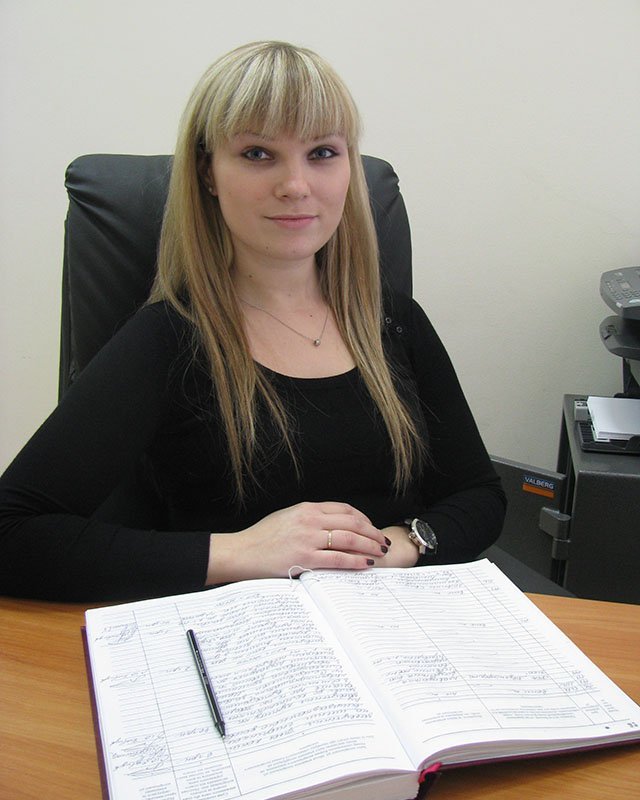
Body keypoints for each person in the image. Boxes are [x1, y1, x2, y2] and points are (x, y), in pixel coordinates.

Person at [0, 41, 505, 601]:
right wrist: (244, 552)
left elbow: (480, 496)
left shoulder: (393, 322)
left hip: (390, 625)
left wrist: (395, 547)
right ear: (208, 173)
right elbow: (12, 531)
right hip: (236, 633)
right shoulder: (170, 338)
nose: (296, 185)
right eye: (258, 154)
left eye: (322, 152)